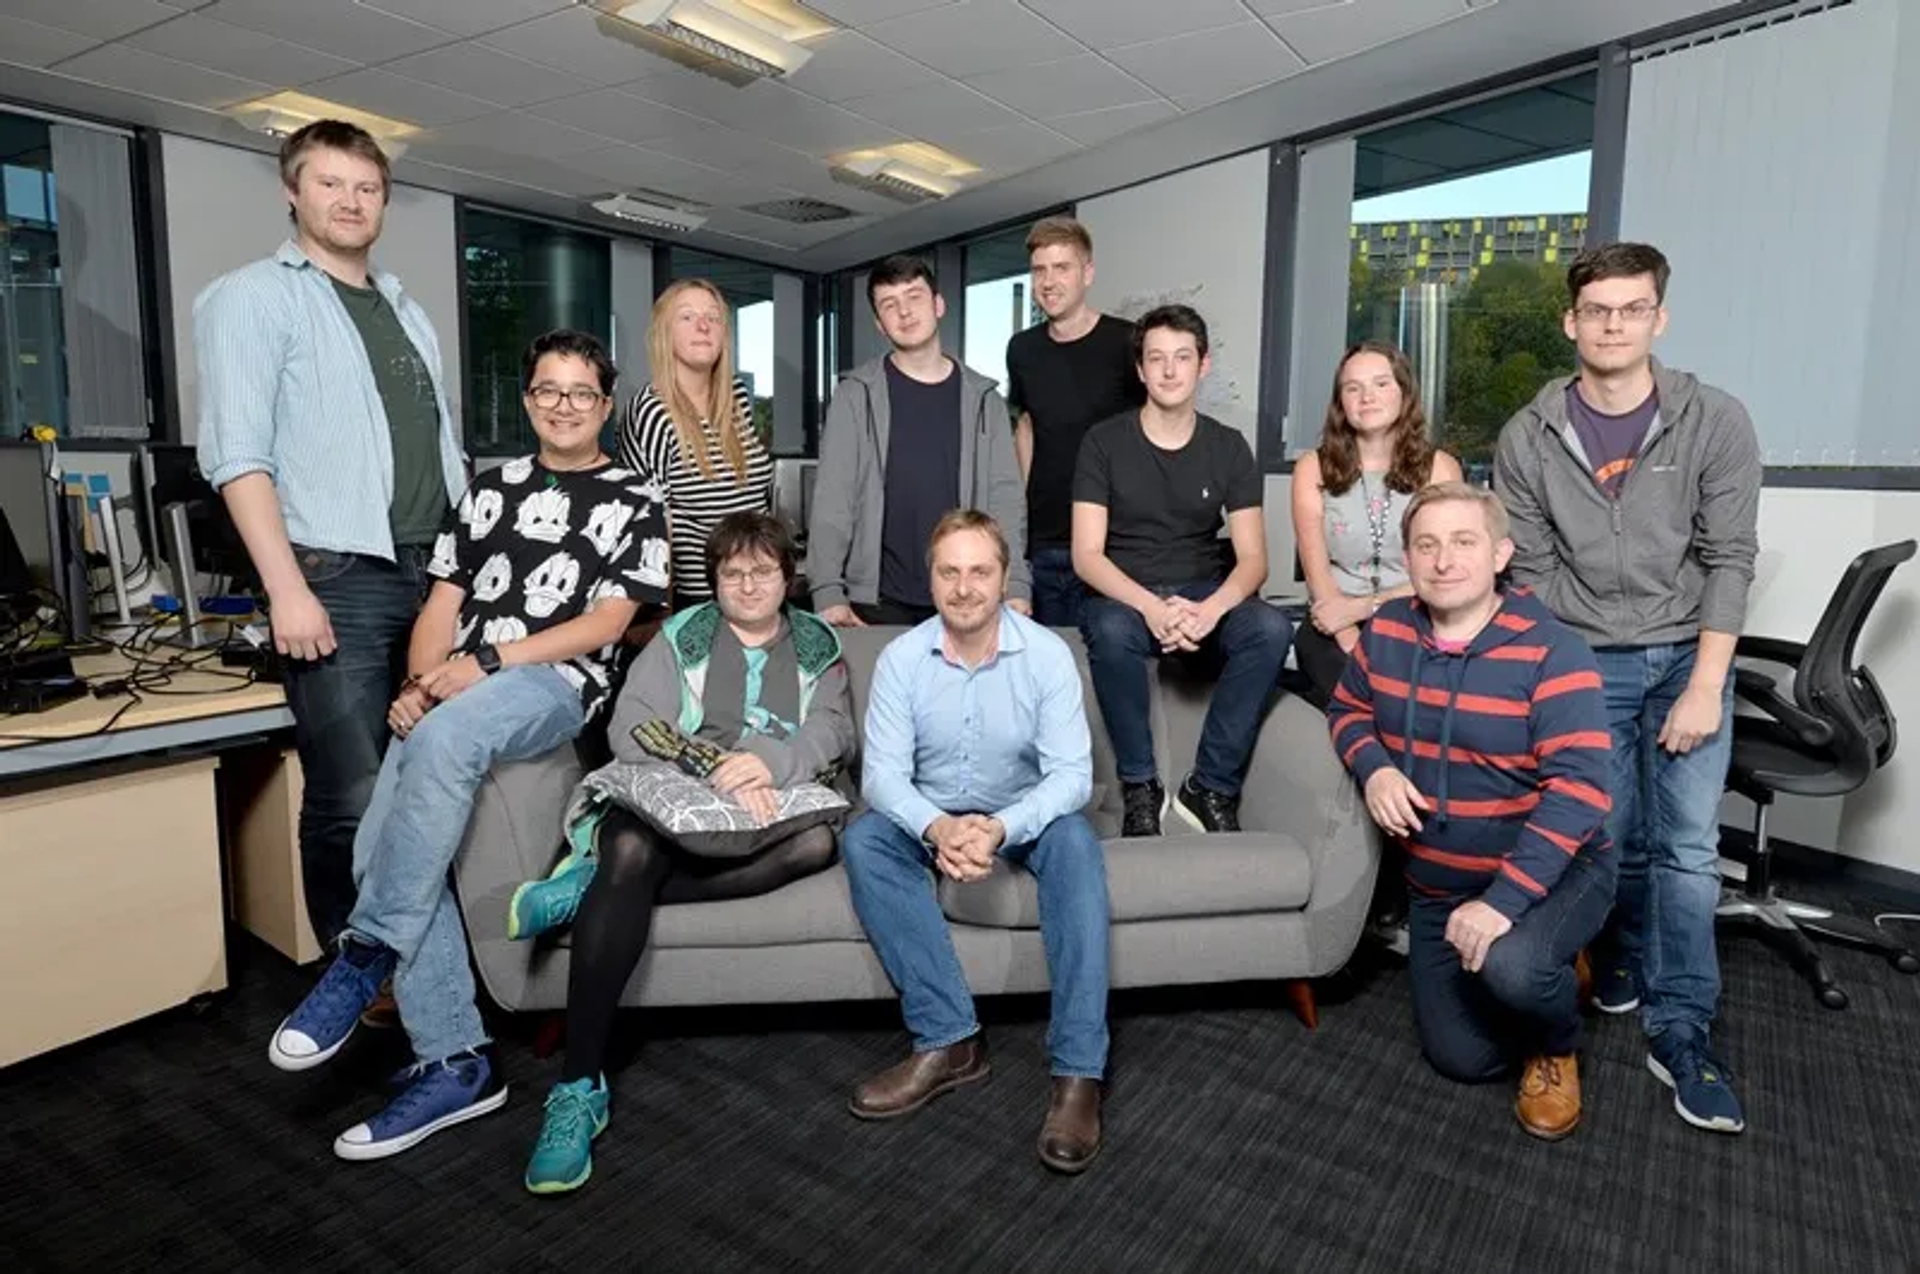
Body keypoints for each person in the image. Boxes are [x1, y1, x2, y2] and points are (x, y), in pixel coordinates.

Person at [265, 330, 666, 1161]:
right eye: (547, 390)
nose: (564, 405)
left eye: (581, 392)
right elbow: (442, 603)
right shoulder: (489, 491)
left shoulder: (637, 496)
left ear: (606, 404)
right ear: (527, 401)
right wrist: (420, 683)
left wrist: (481, 663)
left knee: (424, 758)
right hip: (461, 676)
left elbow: (606, 621)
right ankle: (455, 1061)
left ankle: (368, 949)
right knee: (399, 806)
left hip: (551, 681)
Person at [505, 511, 856, 1194]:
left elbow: (833, 730)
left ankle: (589, 890)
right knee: (632, 846)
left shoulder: (818, 644)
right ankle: (579, 1086)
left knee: (816, 843)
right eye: (732, 573)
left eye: (763, 571)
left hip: (769, 799)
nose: (748, 585)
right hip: (673, 791)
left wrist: (768, 762)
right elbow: (633, 723)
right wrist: (710, 763)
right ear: (715, 582)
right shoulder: (680, 635)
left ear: (788, 577)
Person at [1494, 242, 1761, 1135]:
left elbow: (1729, 560)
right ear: (1572, 322)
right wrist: (1583, 654)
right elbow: (1527, 577)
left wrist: (1707, 684)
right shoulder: (1527, 435)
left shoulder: (1714, 419)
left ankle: (1681, 1030)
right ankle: (1618, 953)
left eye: (1632, 309)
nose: (1614, 325)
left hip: (1690, 656)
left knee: (1686, 848)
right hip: (1583, 661)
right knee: (1604, 836)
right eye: (1597, 310)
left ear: (1659, 317)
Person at [196, 119, 467, 948]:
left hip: (431, 574)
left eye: (367, 187)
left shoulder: (402, 308)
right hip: (336, 577)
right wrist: (287, 590)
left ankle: (423, 959)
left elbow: (440, 448)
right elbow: (237, 456)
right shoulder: (251, 298)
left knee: (428, 777)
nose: (351, 201)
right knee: (352, 787)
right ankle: (357, 966)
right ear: (292, 191)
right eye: (330, 184)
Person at [1328, 482, 1615, 1140]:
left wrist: (1503, 906)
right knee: (1463, 1060)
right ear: (1408, 558)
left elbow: (1580, 793)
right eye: (1426, 545)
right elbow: (1347, 711)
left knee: (1514, 968)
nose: (1443, 560)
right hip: (1437, 884)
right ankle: (1546, 966)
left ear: (1500, 555)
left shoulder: (1552, 650)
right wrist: (1373, 767)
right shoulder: (1388, 631)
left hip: (1556, 874)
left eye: (1463, 542)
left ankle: (1557, 1038)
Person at [841, 510, 1110, 1175]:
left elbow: (1073, 776)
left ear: (1003, 577)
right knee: (867, 839)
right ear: (931, 580)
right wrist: (937, 827)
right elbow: (881, 777)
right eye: (950, 572)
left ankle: (1078, 1073)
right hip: (932, 815)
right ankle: (950, 1040)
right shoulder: (902, 658)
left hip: (1020, 815)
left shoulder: (1047, 654)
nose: (965, 588)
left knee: (1076, 844)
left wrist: (999, 828)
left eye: (980, 571)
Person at [1071, 304, 1292, 836]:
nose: (1170, 371)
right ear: (1141, 371)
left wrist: (1209, 611)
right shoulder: (1103, 443)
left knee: (1270, 627)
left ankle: (1210, 786)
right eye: (1157, 359)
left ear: (1203, 365)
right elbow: (1087, 555)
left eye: (1182, 358)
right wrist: (1150, 608)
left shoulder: (1228, 447)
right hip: (1125, 596)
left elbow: (1254, 559)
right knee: (1108, 626)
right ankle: (1141, 786)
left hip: (1203, 594)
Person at [809, 254, 1030, 626]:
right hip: (878, 600)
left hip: (966, 596)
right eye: (889, 305)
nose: (905, 312)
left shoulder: (984, 399)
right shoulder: (854, 394)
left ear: (938, 304)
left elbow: (1005, 498)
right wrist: (827, 591)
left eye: (914, 297)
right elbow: (834, 498)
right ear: (880, 324)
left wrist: (1018, 584)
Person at [1290, 341, 1463, 709]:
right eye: (1353, 388)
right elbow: (1317, 576)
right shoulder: (1312, 468)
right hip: (1333, 623)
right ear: (1341, 403)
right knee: (1355, 696)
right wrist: (1350, 636)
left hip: (1420, 620)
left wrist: (1364, 607)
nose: (1367, 396)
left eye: (1381, 384)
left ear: (1405, 393)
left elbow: (1445, 572)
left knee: (1414, 699)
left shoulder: (1440, 469)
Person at [1006, 216, 1145, 628]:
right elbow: (1027, 429)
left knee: (1108, 664)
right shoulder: (1022, 349)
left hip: (1112, 544)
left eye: (1061, 268)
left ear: (1088, 273)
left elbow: (1147, 432)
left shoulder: (1126, 341)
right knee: (1046, 669)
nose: (1048, 282)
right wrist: (1020, 524)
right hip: (1044, 542)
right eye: (1039, 270)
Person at [619, 277, 770, 609]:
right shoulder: (651, 410)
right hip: (701, 598)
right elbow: (651, 523)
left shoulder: (737, 397)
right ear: (665, 333)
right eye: (687, 317)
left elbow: (757, 497)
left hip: (761, 585)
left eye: (713, 318)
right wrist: (665, 616)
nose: (703, 326)